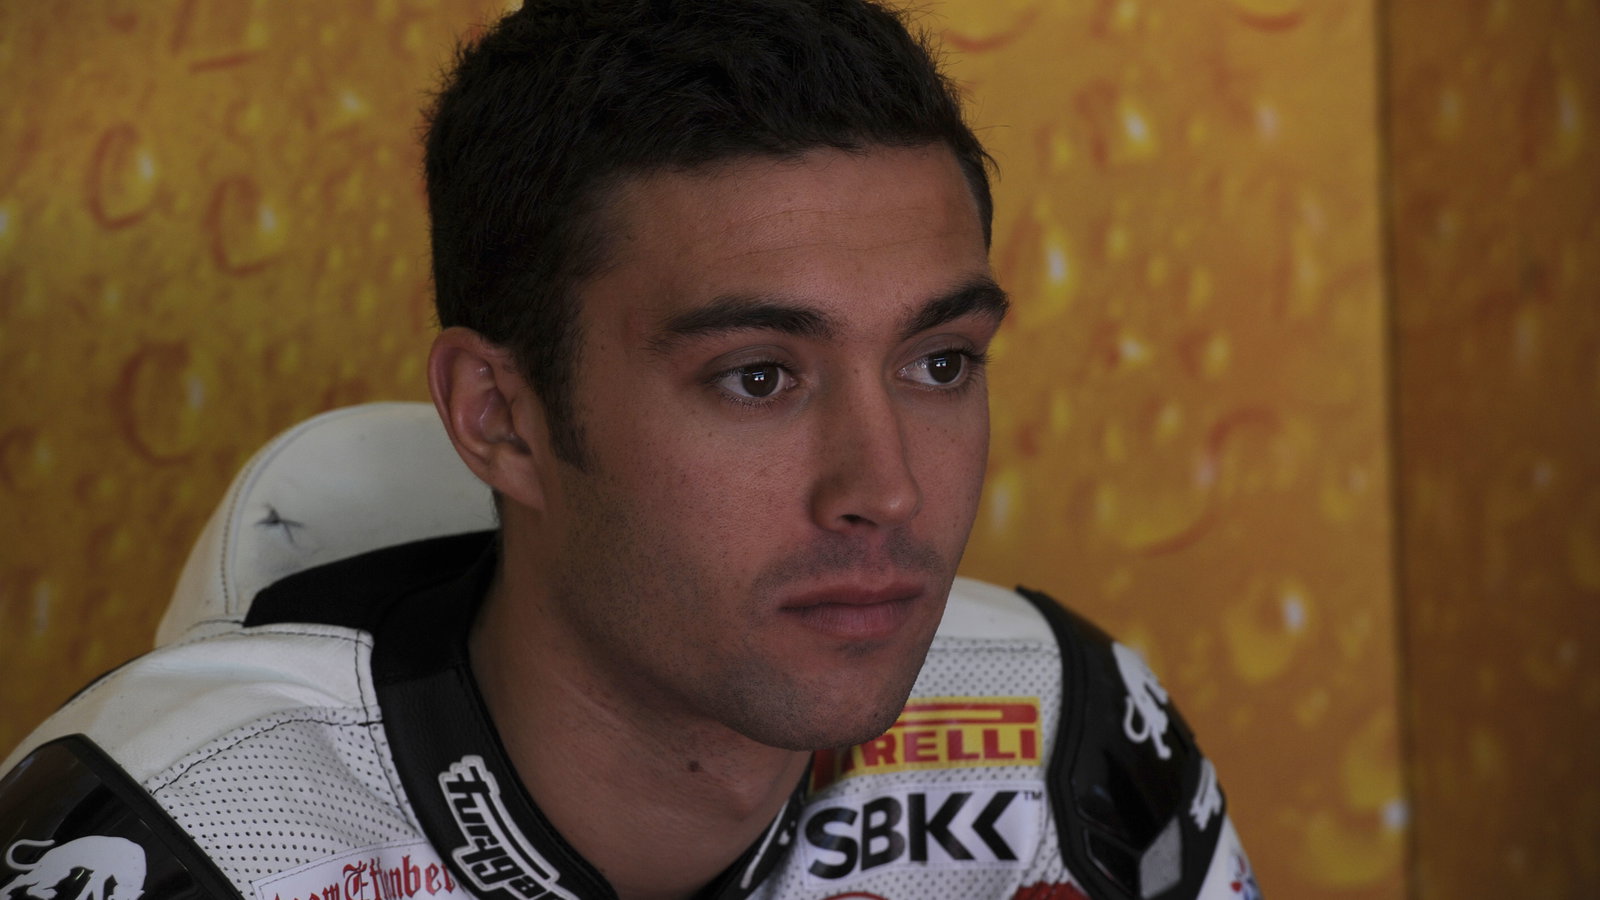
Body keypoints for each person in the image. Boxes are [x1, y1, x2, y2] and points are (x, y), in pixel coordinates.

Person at [0, 1, 1260, 898]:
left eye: (939, 364)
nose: (886, 489)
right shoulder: (174, 837)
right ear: (499, 417)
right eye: (757, 377)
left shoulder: (1066, 730)